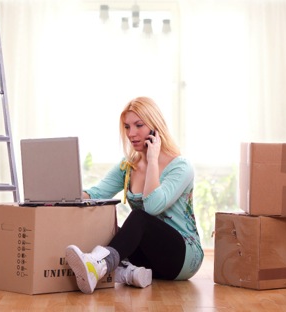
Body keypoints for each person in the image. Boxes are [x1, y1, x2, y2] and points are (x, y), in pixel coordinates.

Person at [65, 96, 203, 294]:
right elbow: (97, 192)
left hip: (183, 258)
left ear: (155, 126)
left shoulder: (181, 167)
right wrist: (65, 194)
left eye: (139, 125)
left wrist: (152, 159)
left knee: (139, 218)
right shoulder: (128, 165)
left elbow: (153, 207)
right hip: (151, 259)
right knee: (111, 228)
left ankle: (101, 265)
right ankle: (129, 272)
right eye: (127, 127)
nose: (132, 133)